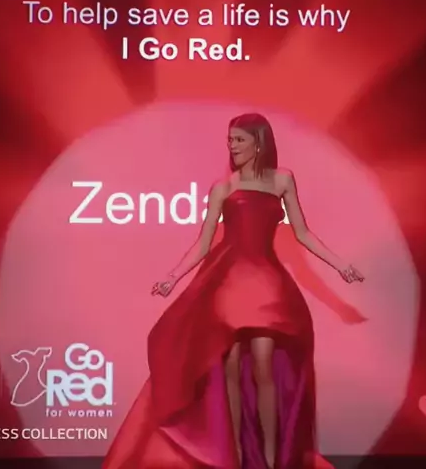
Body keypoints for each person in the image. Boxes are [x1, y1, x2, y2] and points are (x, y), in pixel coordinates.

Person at [103, 113, 364, 469]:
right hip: (227, 283)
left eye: (239, 139)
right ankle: (237, 456)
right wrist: (173, 277)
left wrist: (340, 266)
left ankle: (270, 459)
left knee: (263, 364)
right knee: (229, 369)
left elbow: (303, 233)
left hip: (267, 281)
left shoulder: (283, 180)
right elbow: (203, 243)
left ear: (259, 142)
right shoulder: (223, 187)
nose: (232, 145)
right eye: (230, 139)